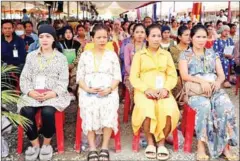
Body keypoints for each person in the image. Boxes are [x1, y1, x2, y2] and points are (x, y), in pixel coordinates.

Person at [178, 24, 238, 160]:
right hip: (195, 91)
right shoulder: (185, 55)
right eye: (198, 37)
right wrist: (201, 81)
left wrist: (217, 83)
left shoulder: (212, 53)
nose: (201, 40)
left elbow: (221, 75)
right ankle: (201, 146)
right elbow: (184, 76)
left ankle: (225, 147)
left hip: (213, 88)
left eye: (204, 37)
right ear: (191, 38)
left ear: (208, 38)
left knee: (225, 106)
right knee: (204, 107)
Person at [17, 24, 71, 161]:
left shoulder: (61, 58)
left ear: (54, 39)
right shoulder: (31, 56)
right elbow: (24, 78)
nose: (44, 39)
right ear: (38, 39)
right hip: (34, 93)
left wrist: (53, 93)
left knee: (48, 112)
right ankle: (35, 145)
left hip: (53, 95)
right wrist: (29, 92)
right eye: (41, 37)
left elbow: (64, 81)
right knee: (26, 111)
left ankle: (46, 145)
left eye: (48, 36)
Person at [130, 24, 180, 160]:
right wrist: (146, 89)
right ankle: (150, 142)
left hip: (163, 90)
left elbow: (172, 75)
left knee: (169, 108)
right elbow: (133, 76)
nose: (157, 39)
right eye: (153, 36)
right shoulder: (139, 55)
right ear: (147, 38)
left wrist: (165, 89)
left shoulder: (166, 54)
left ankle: (161, 143)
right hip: (144, 91)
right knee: (147, 107)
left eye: (159, 35)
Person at [76, 24, 121, 161]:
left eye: (105, 37)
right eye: (99, 37)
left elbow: (117, 76)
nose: (102, 40)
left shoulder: (112, 55)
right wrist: (87, 89)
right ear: (92, 38)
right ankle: (92, 147)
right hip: (88, 90)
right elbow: (79, 77)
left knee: (109, 107)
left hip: (108, 90)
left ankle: (105, 147)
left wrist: (109, 89)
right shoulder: (85, 55)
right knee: (89, 107)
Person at [124, 23, 146, 110]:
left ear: (145, 34)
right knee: (136, 86)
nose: (140, 34)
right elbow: (127, 65)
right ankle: (137, 107)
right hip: (131, 75)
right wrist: (136, 75)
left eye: (142, 32)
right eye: (137, 32)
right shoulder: (128, 47)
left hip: (146, 74)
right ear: (133, 33)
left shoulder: (148, 47)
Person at [60, 26, 81, 96]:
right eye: (66, 33)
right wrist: (65, 65)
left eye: (70, 32)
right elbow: (58, 56)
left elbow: (79, 56)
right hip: (62, 65)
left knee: (75, 73)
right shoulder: (60, 44)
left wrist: (72, 65)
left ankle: (72, 90)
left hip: (74, 65)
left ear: (72, 33)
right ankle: (63, 91)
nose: (68, 34)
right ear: (63, 34)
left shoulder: (77, 44)